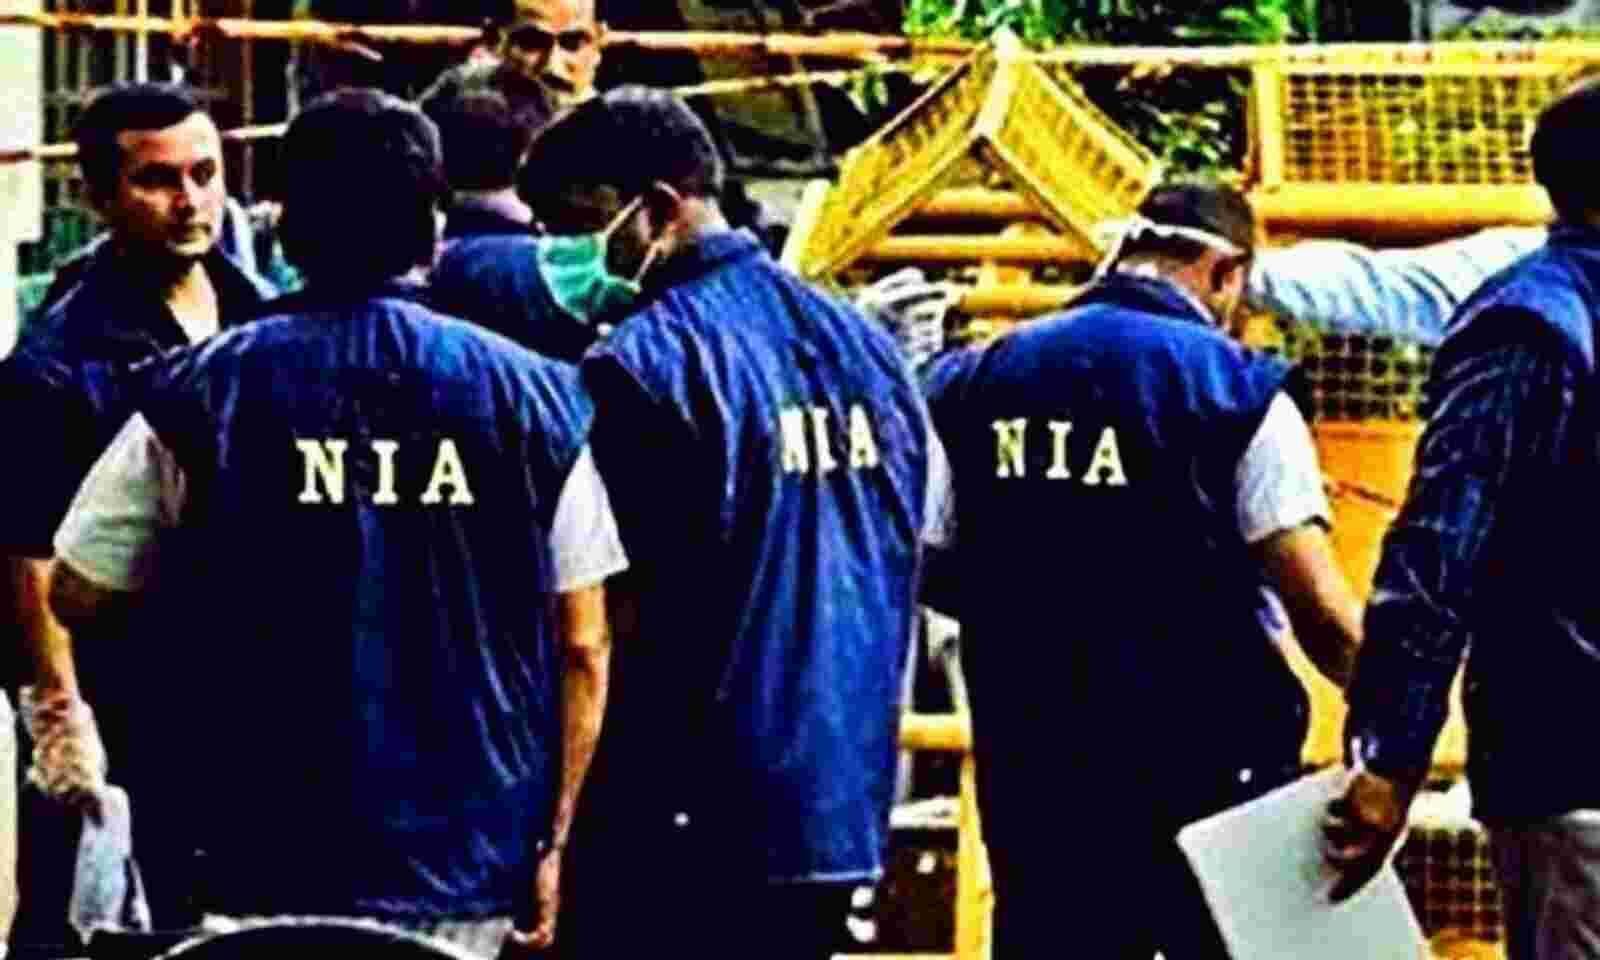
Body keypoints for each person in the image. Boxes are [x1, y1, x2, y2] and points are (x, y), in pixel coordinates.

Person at [41, 89, 622, 958]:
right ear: (433, 228)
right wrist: (558, 842)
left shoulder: (200, 390)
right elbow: (583, 643)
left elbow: (80, 591)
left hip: (255, 850)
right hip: (467, 858)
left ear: (284, 226)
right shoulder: (537, 399)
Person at [518, 86, 943, 960]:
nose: (558, 254)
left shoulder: (642, 365)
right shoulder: (868, 348)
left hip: (683, 812)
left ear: (658, 208)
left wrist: (557, 822)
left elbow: (604, 619)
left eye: (576, 222)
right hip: (839, 798)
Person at [924, 182, 1364, 959]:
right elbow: (1320, 612)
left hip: (1039, 775)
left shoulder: (971, 381)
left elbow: (931, 562)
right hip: (1216, 779)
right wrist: (1395, 731)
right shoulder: (1239, 389)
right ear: (1226, 272)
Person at [1322, 76, 1600, 960]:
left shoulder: (1533, 323)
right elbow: (1441, 550)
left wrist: (1391, 750)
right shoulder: (1532, 329)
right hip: (1575, 769)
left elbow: (1438, 548)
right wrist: (1392, 751)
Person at [0, 83, 274, 927]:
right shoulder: (57, 362)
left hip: (241, 677)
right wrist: (59, 711)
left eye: (205, 174)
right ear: (100, 196)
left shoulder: (257, 312)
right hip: (121, 686)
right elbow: (26, 547)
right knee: (87, 915)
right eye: (157, 180)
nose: (189, 201)